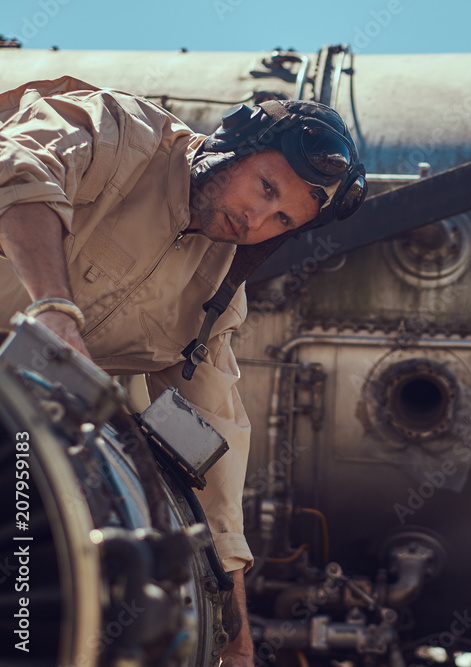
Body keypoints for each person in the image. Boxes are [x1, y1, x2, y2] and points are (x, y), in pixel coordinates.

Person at [0, 76, 366, 665]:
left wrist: (234, 633)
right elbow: (18, 165)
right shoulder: (120, 133)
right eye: (265, 187)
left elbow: (209, 451)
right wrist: (53, 310)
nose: (257, 219)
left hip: (18, 452)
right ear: (236, 145)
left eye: (281, 220)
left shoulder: (218, 295)